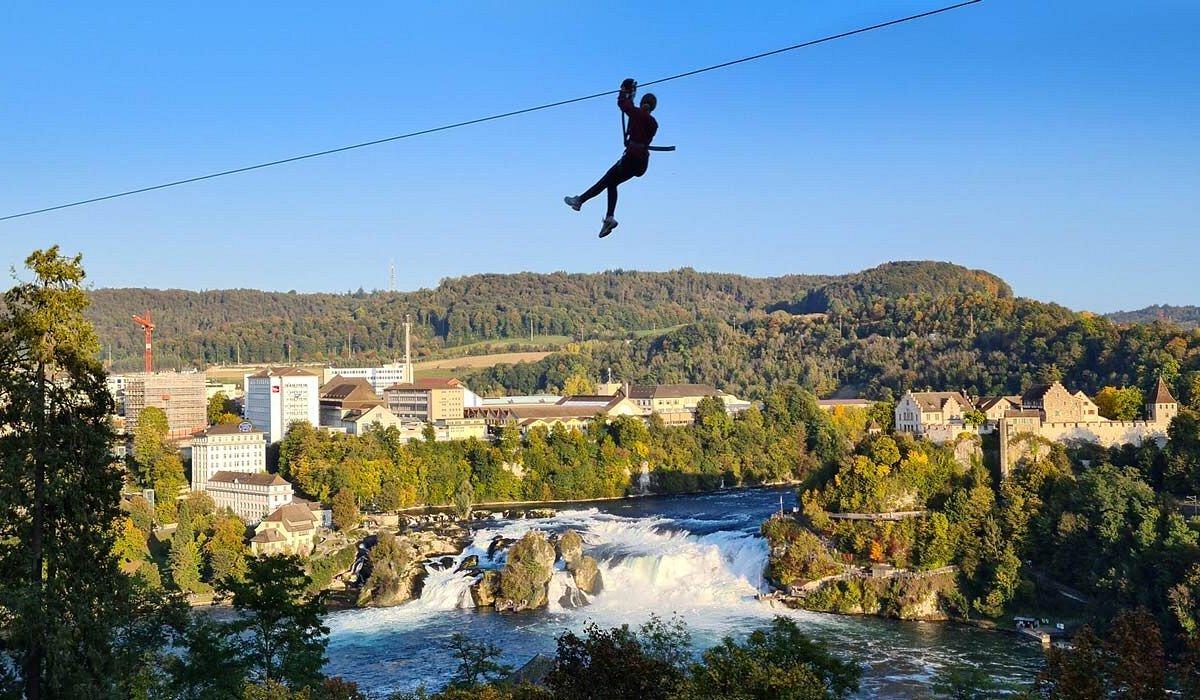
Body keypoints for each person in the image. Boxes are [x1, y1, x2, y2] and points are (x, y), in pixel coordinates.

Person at [564, 78, 658, 238]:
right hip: (641, 163)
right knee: (611, 182)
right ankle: (608, 217)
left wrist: (623, 90)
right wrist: (630, 97)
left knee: (607, 179)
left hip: (631, 158)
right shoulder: (653, 123)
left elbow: (624, 105)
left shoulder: (638, 114)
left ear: (643, 103)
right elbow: (633, 113)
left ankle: (580, 201)